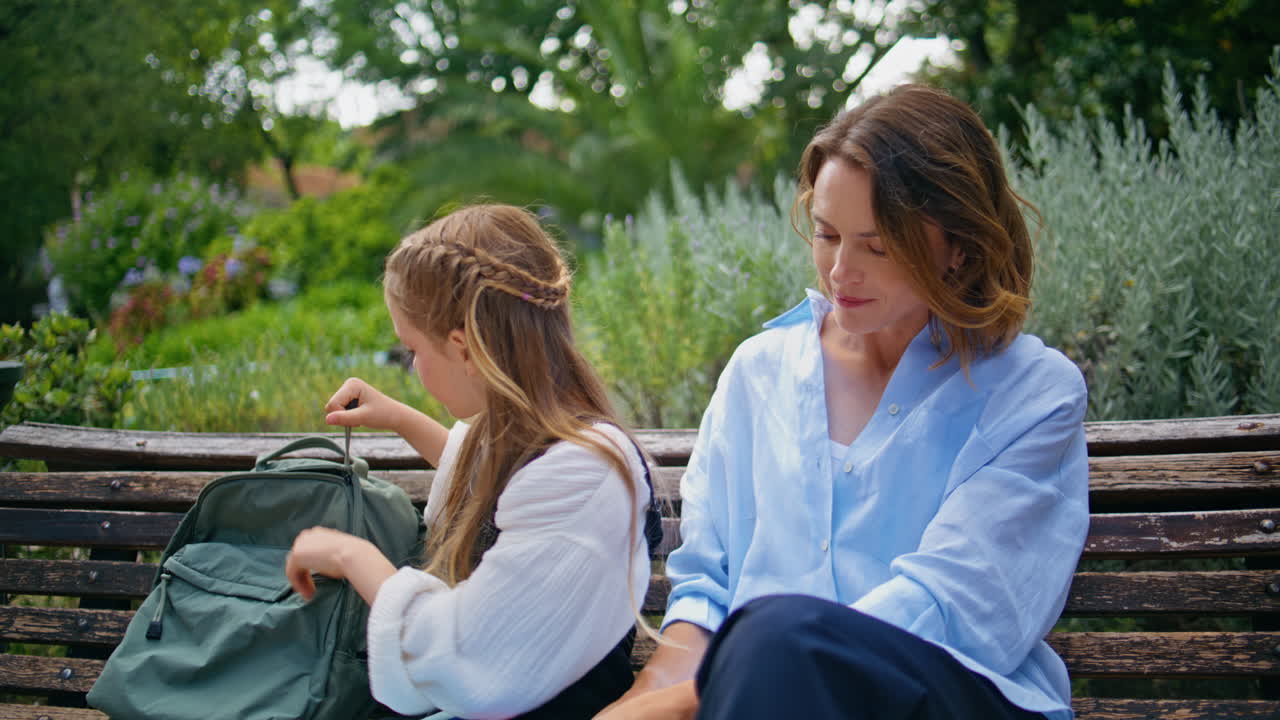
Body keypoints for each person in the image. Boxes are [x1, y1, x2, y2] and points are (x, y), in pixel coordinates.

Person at [597, 84, 1090, 720]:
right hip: (748, 695)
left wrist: (698, 697)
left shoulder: (1032, 393)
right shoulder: (758, 373)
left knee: (775, 640)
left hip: (946, 699)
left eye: (877, 246)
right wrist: (644, 697)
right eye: (828, 235)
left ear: (960, 246)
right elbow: (708, 586)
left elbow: (953, 612)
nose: (840, 272)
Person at [284, 204, 656, 719]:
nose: (411, 366)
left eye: (412, 349)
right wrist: (400, 418)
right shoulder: (558, 443)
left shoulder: (582, 474)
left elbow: (470, 657)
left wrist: (353, 558)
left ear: (463, 347)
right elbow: (492, 479)